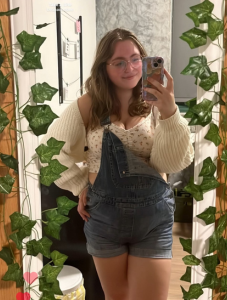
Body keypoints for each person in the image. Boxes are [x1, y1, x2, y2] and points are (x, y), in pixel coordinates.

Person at [40, 28, 194, 300]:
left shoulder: (157, 105)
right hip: (104, 218)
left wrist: (169, 112)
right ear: (104, 67)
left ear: (146, 61)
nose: (130, 68)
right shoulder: (88, 106)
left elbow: (171, 162)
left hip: (153, 217)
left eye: (135, 59)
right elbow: (50, 154)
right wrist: (79, 185)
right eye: (119, 62)